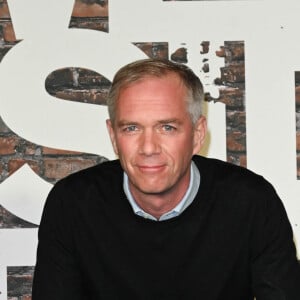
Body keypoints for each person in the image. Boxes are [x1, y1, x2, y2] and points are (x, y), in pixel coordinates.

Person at [32, 58, 300, 299]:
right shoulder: (72, 204)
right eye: (132, 128)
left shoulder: (251, 202)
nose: (149, 147)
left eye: (167, 127)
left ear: (197, 135)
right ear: (113, 137)